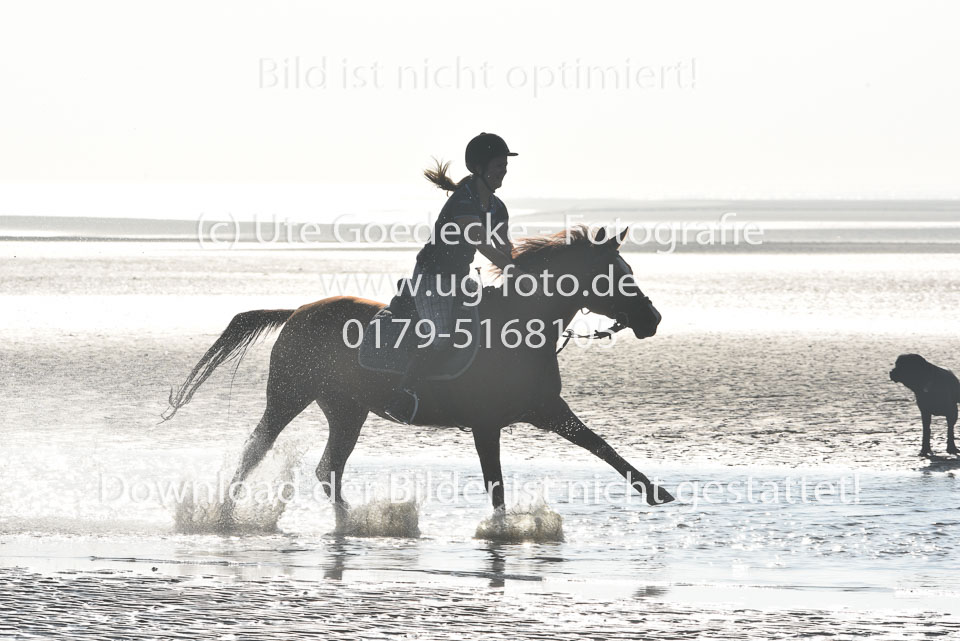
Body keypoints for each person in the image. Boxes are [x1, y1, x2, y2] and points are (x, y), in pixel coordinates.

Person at [383, 132, 520, 424]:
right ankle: (402, 395)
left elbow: (505, 248)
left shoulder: (497, 207)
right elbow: (483, 244)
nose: (503, 173)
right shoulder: (462, 203)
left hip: (460, 278)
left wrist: (522, 271)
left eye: (505, 168)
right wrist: (513, 270)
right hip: (432, 279)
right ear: (480, 169)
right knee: (442, 338)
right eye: (498, 167)